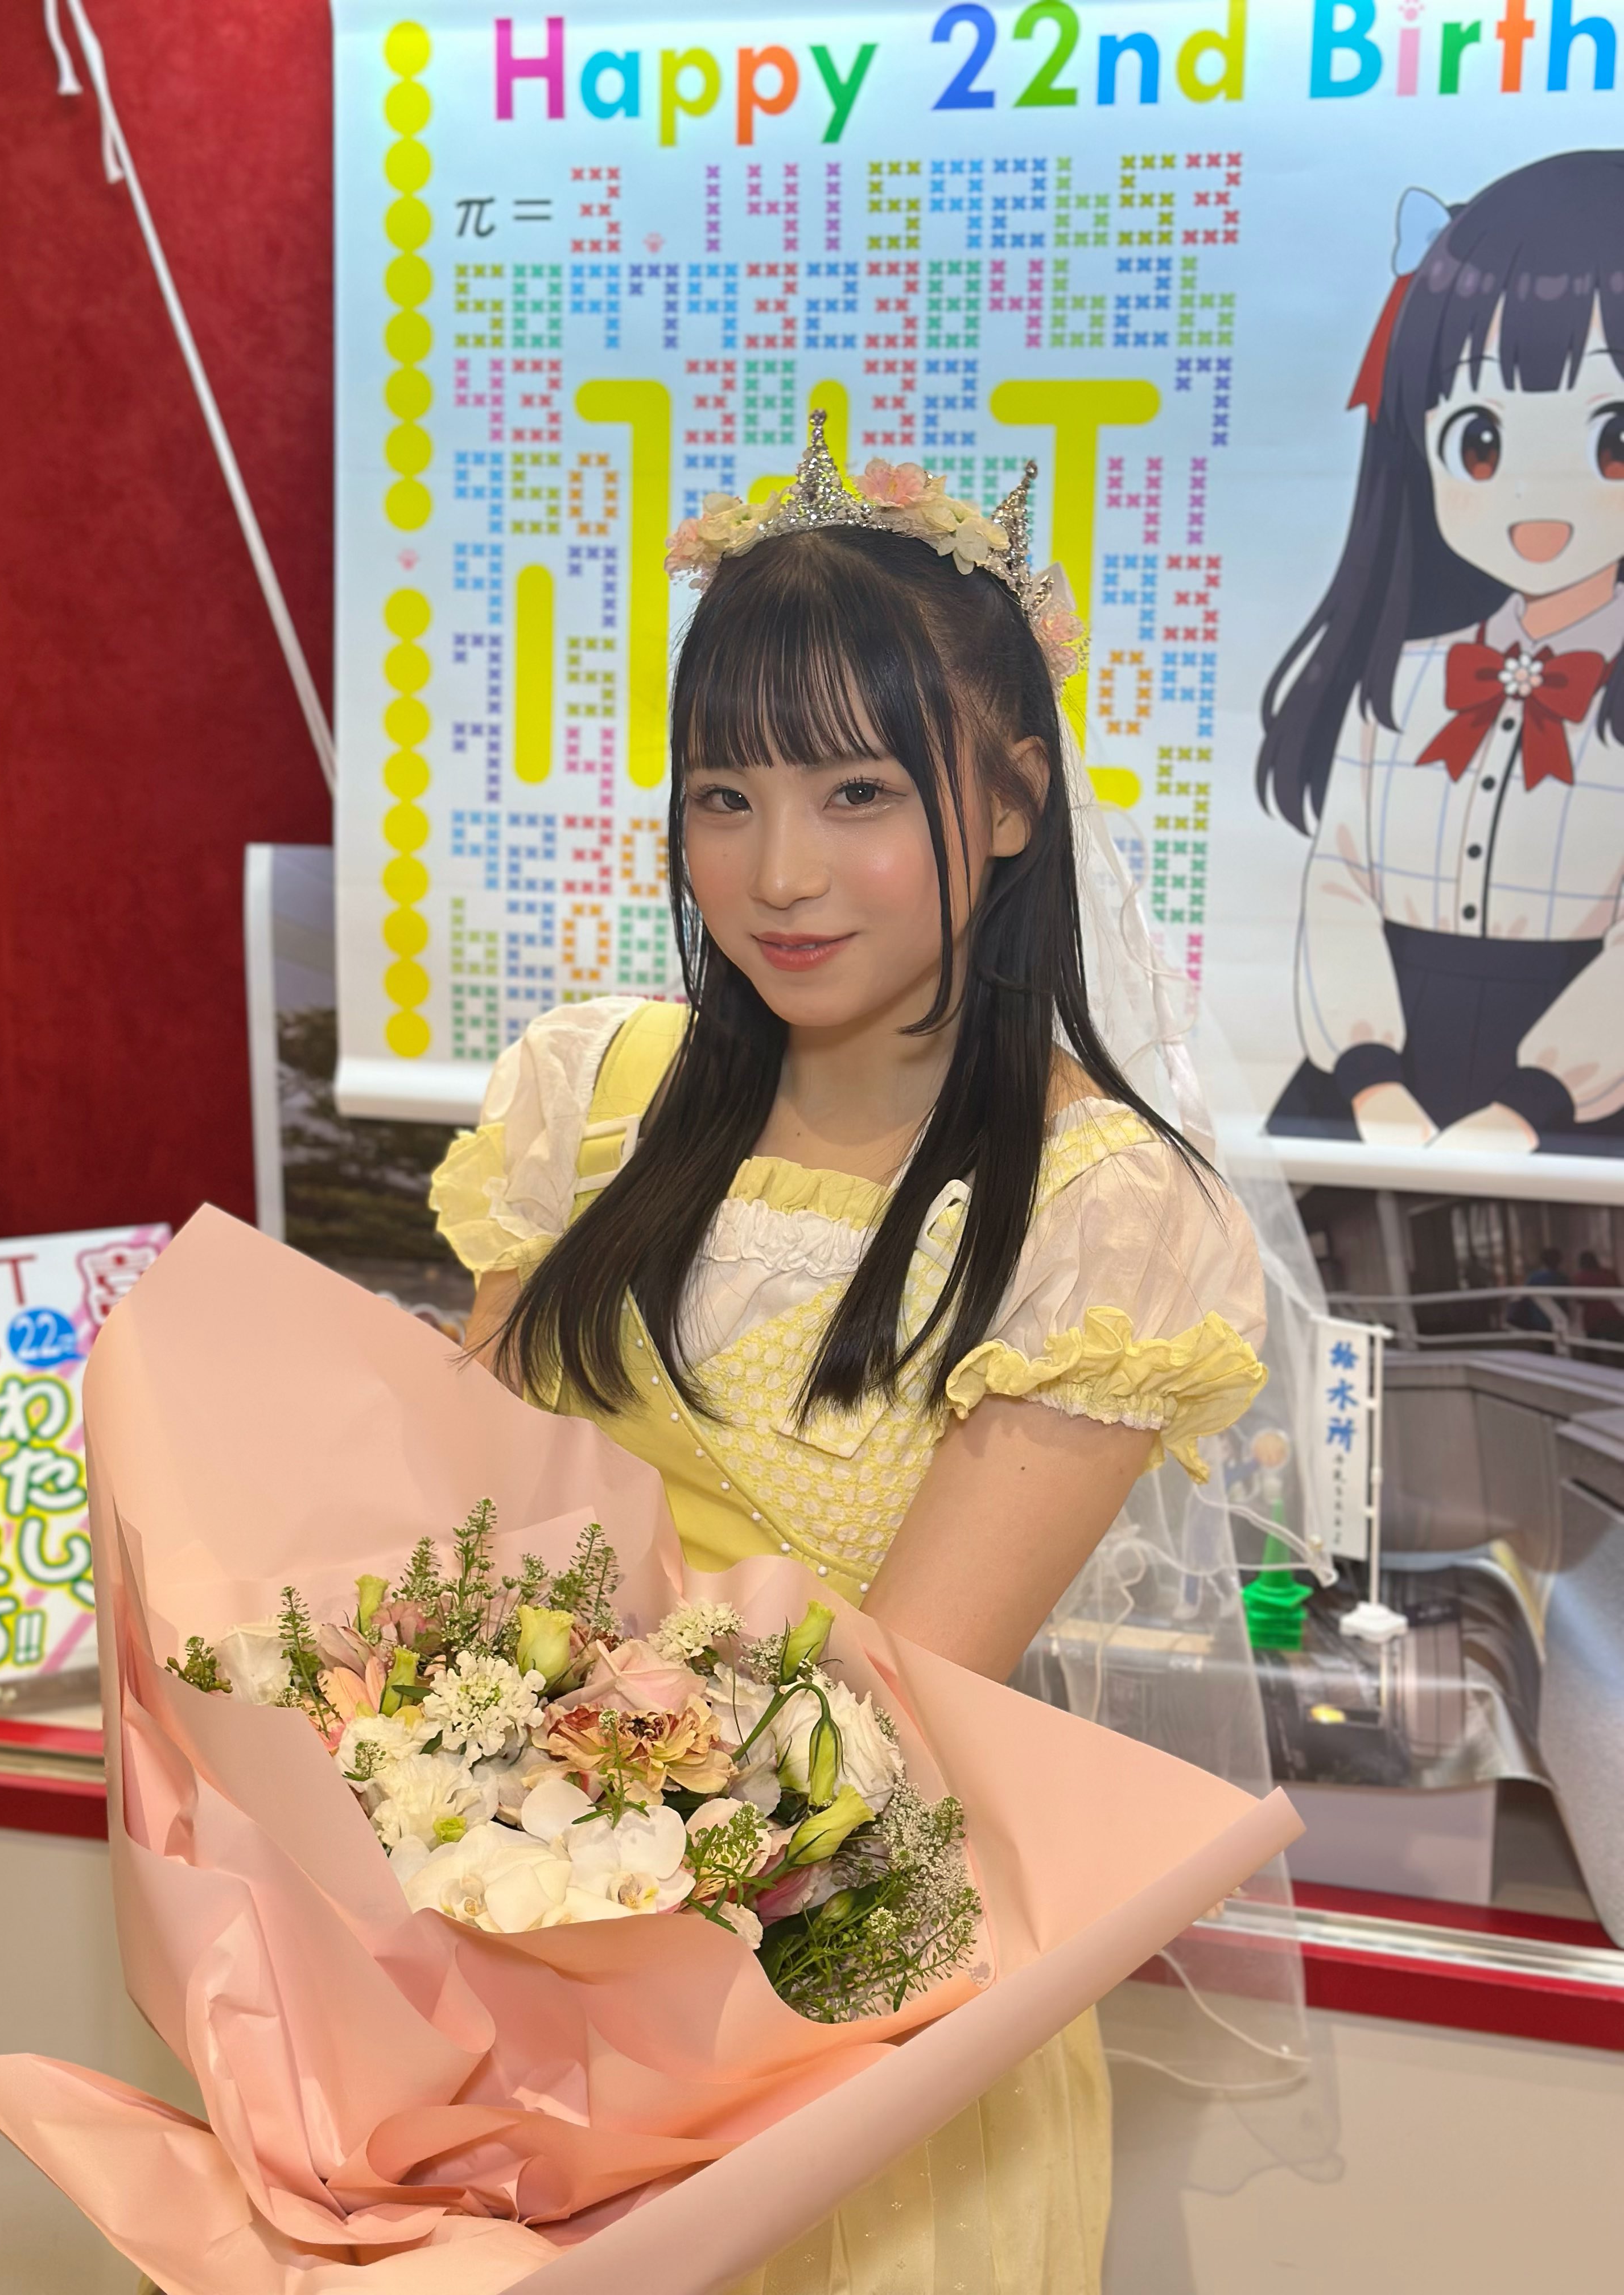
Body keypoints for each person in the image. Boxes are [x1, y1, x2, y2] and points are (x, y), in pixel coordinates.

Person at [430, 415, 1268, 2295]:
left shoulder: (1098, 1219)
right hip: (494, 1966)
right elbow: (443, 1541)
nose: (779, 873)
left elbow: (877, 1727)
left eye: (857, 793)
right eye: (724, 796)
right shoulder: (586, 1098)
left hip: (845, 2033)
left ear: (1010, 802)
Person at [1258, 152, 1624, 1158]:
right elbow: (1338, 881)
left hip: (1583, 1083)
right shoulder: (1405, 678)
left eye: (1611, 440)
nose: (1536, 500)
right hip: (1374, 1063)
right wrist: (1370, 1078)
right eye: (1480, 442)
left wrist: (1533, 1104)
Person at [1576, 1247, 1624, 1347]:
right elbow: (1618, 1289)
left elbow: (1579, 1300)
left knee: (1593, 1348)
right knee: (1616, 1347)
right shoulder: (1609, 1273)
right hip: (1613, 1314)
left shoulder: (1580, 1277)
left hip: (1592, 1318)